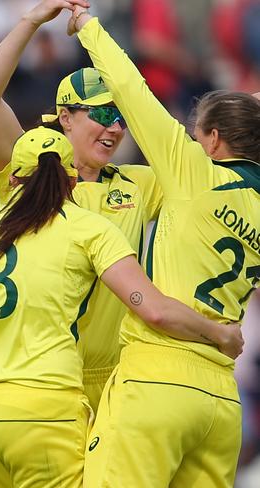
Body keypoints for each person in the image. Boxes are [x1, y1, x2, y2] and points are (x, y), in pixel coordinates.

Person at [0, 125, 243, 488]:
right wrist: (220, 333)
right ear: (74, 180)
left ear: (12, 178)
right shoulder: (88, 228)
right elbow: (153, 309)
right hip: (44, 408)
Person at [69, 7, 260, 487]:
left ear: (213, 140)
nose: (190, 142)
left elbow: (132, 92)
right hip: (221, 402)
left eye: (197, 135)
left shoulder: (195, 171)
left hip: (157, 377)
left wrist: (88, 28)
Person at [0, 0, 163, 411]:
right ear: (65, 117)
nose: (115, 127)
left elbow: (210, 158)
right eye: (104, 113)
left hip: (113, 376)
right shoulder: (29, 167)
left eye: (122, 116)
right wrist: (31, 21)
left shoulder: (138, 183)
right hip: (42, 376)